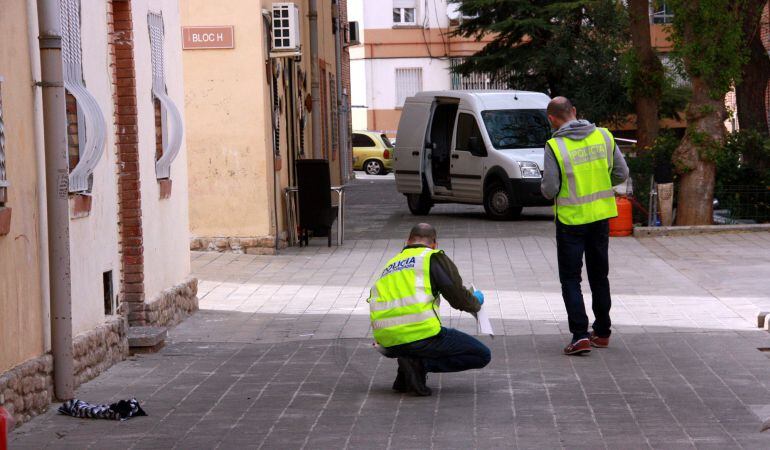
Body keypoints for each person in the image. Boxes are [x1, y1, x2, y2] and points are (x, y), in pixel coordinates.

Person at [541, 97, 629, 356]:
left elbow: (549, 189)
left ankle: (579, 336)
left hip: (570, 221)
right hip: (600, 218)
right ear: (575, 112)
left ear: (552, 120)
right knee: (599, 276)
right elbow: (621, 174)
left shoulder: (555, 146)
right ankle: (602, 332)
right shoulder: (603, 136)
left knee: (571, 279)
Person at [368, 223, 490, 396]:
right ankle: (420, 365)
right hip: (419, 335)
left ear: (407, 241)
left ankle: (407, 370)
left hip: (387, 342)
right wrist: (476, 301)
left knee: (413, 347)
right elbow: (458, 299)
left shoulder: (391, 264)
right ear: (434, 244)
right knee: (481, 355)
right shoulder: (432, 257)